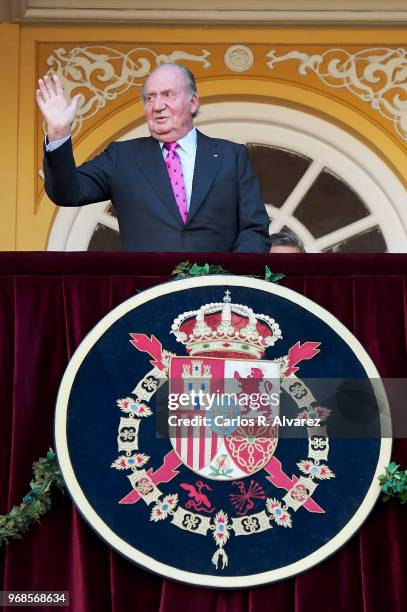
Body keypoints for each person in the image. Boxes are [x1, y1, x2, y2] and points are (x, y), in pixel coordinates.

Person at [36, 64, 271, 252]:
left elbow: (254, 229)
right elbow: (67, 192)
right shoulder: (122, 157)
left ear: (193, 102)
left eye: (168, 94)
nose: (157, 106)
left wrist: (233, 279)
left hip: (217, 301)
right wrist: (59, 132)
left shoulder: (231, 156)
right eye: (150, 98)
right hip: (147, 296)